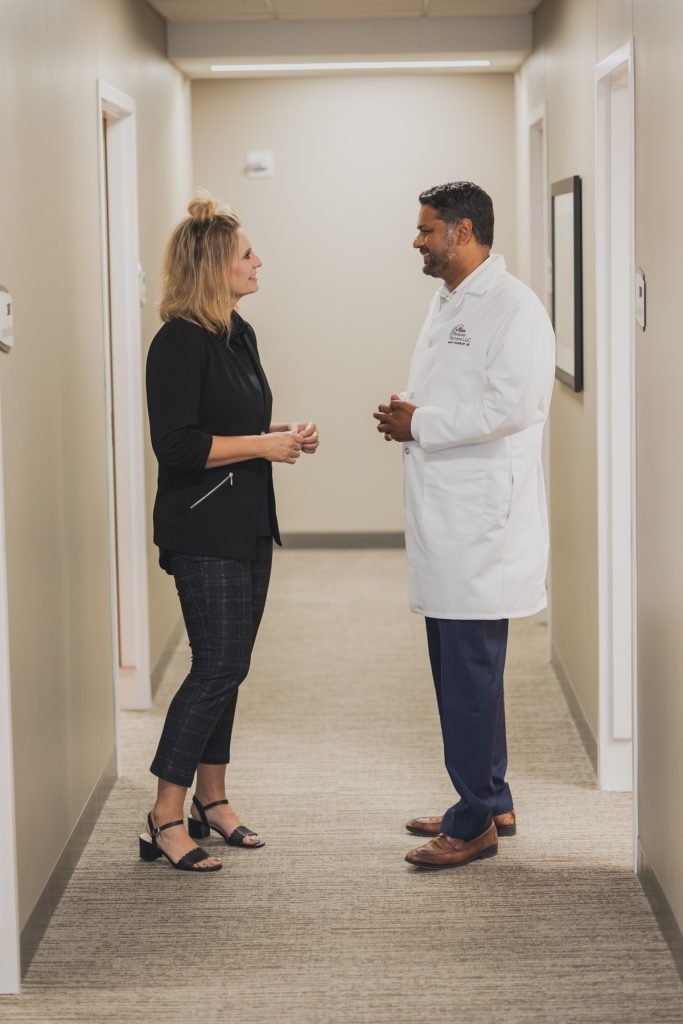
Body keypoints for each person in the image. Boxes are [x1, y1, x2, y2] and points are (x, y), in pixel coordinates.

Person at [374, 181, 554, 870]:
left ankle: (472, 819)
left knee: (467, 676)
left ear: (463, 230)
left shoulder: (512, 307)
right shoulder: (450, 297)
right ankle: (491, 796)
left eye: (425, 230)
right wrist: (413, 410)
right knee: (465, 669)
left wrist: (420, 422)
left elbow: (511, 407)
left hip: (480, 526)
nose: (416, 240)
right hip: (449, 512)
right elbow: (462, 389)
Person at [140, 195, 319, 873]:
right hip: (201, 527)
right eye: (247, 253)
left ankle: (212, 801)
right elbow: (178, 447)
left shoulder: (236, 332)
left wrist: (278, 437)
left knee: (231, 666)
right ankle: (164, 814)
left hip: (246, 522)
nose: (258, 261)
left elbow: (236, 428)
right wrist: (258, 446)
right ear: (214, 266)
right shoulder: (178, 343)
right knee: (216, 666)